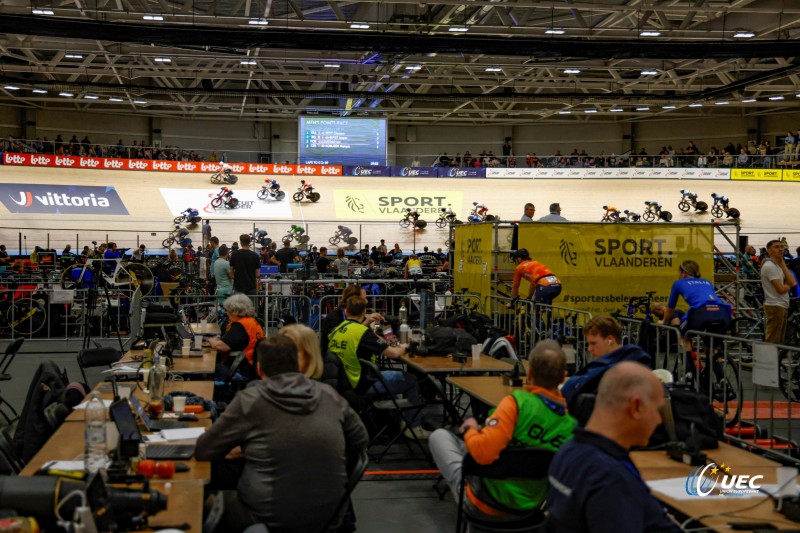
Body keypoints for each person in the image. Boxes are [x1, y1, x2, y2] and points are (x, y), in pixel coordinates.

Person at [195, 336, 368, 532]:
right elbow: (360, 440)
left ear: (259, 369)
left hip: (266, 515)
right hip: (330, 516)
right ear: (300, 366)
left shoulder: (251, 399)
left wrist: (246, 448)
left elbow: (204, 450)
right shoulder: (328, 394)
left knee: (195, 500)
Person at [429, 340, 577, 519]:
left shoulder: (516, 403)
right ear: (563, 378)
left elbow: (482, 453)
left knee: (440, 437)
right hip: (531, 511)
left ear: (529, 373)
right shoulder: (572, 428)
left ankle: (467, 491)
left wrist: (471, 430)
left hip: (486, 503)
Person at [546, 362, 681, 532]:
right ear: (636, 406)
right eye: (657, 410)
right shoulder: (610, 479)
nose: (658, 420)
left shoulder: (567, 452)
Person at [328, 295, 430, 439]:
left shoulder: (338, 329)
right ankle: (413, 427)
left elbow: (359, 335)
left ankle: (393, 420)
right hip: (363, 383)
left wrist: (368, 323)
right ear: (364, 312)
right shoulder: (363, 333)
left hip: (344, 382)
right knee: (411, 378)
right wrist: (406, 346)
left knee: (393, 375)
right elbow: (394, 354)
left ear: (346, 311)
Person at [561, 315, 651, 414]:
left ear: (610, 340)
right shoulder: (637, 361)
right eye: (588, 344)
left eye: (593, 343)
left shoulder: (626, 368)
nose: (589, 349)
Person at [659, 260, 732, 373]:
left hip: (701, 313)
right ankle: (720, 377)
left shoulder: (678, 283)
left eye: (679, 272)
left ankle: (689, 370)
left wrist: (664, 322)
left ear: (683, 273)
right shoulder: (707, 282)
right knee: (710, 345)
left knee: (684, 336)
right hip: (723, 313)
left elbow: (670, 308)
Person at [208, 293, 265, 381]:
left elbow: (221, 346)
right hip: (255, 368)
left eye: (228, 310)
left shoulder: (241, 325)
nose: (227, 313)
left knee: (209, 367)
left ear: (235, 311)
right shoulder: (252, 321)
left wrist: (211, 340)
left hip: (244, 371)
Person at [319, 284, 383, 355]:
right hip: (336, 361)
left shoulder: (360, 316)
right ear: (355, 300)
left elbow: (372, 337)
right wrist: (365, 323)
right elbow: (344, 340)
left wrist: (384, 341)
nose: (367, 301)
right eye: (364, 298)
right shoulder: (333, 318)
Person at [761, 239, 798, 344]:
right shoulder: (770, 266)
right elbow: (781, 289)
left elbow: (793, 282)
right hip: (775, 305)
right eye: (776, 247)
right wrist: (788, 285)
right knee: (773, 340)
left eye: (782, 247)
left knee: (779, 340)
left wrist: (783, 264)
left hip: (781, 305)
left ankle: (775, 360)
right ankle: (768, 360)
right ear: (769, 250)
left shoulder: (778, 265)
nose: (781, 249)